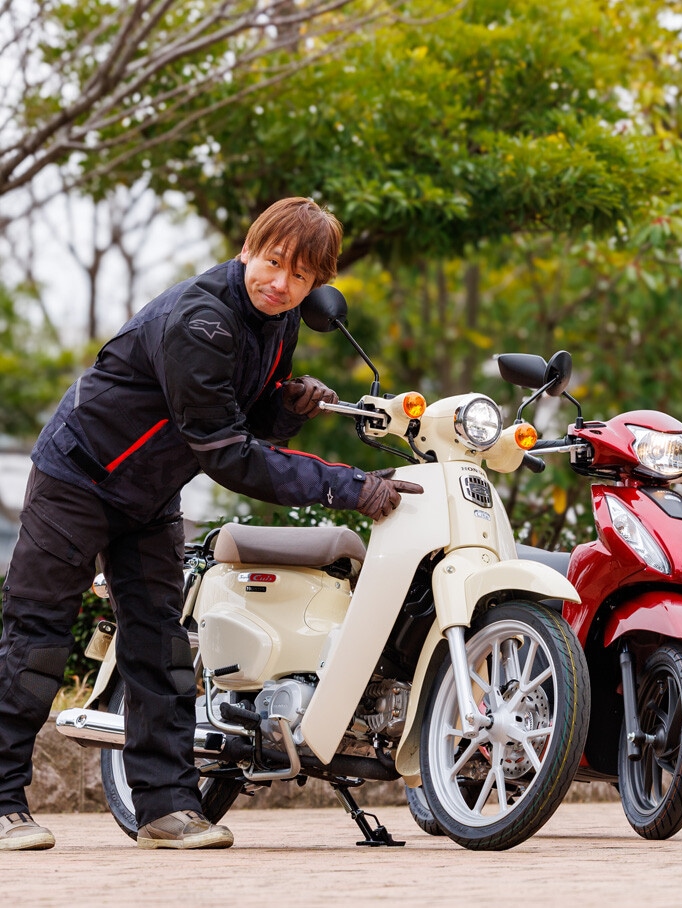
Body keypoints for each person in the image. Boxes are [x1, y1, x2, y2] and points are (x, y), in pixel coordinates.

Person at [0, 197, 417, 850]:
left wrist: (287, 409)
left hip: (150, 493)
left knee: (161, 648)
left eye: (300, 276)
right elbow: (229, 458)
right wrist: (352, 487)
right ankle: (1, 804)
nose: (281, 282)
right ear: (250, 247)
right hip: (78, 478)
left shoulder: (276, 322)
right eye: (273, 261)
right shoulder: (204, 319)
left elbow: (237, 422)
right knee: (38, 638)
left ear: (316, 286)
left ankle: (167, 811)